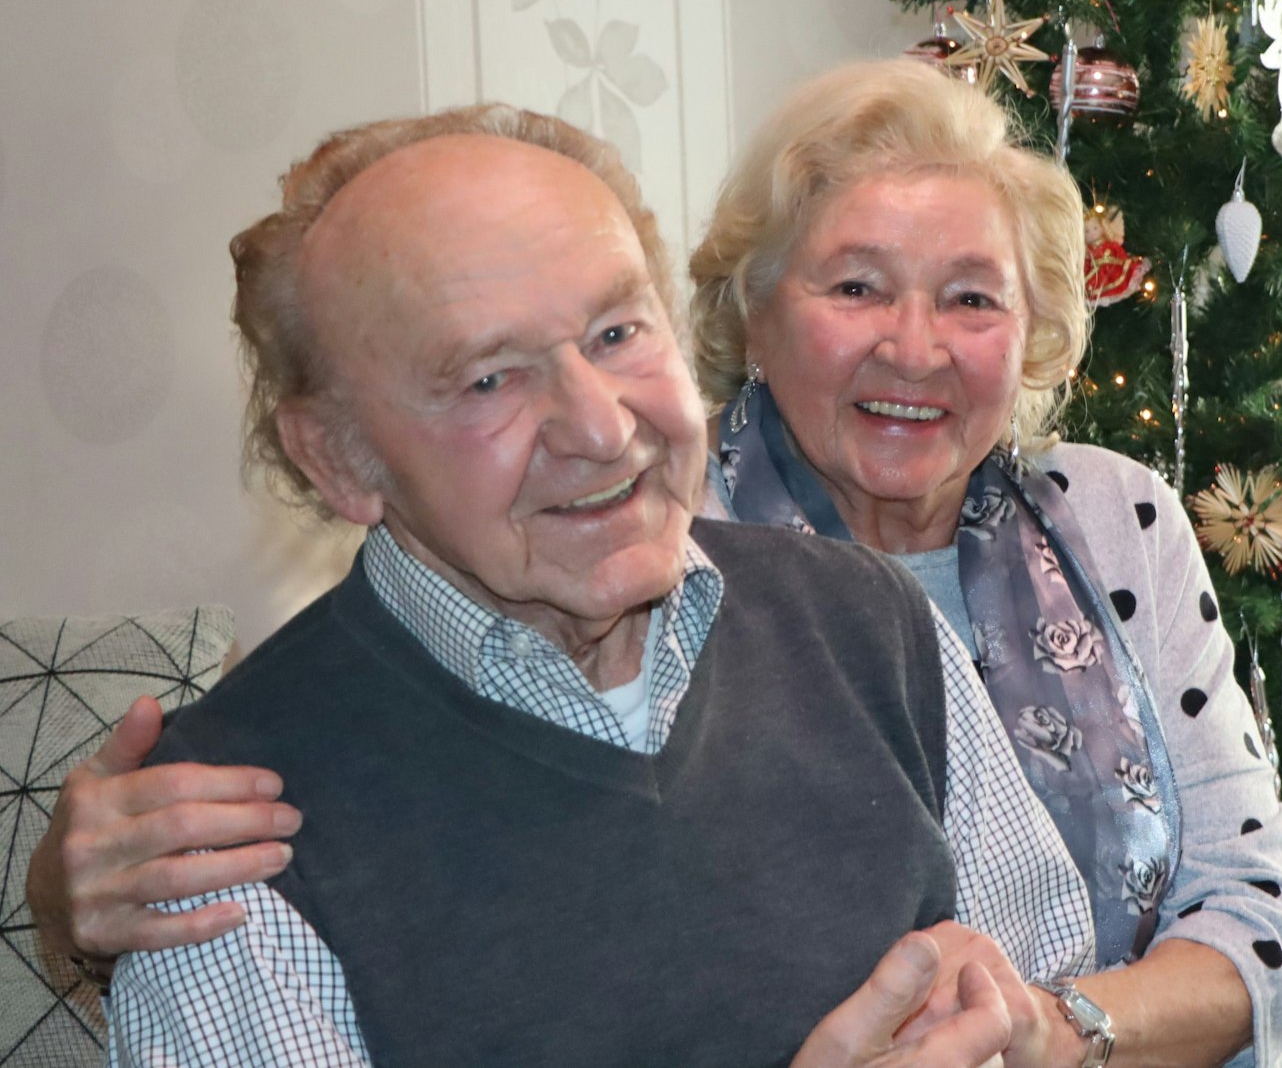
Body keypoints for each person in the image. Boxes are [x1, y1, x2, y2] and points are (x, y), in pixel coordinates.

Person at [85, 103, 1097, 1066]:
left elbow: (1042, 995)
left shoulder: (868, 628)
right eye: (489, 378)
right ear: (340, 459)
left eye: (617, 334)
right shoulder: (222, 838)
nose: (603, 428)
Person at [686, 58, 1282, 1065]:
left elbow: (1263, 920)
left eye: (970, 300)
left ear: (1034, 341)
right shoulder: (662, 555)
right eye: (856, 286)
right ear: (753, 311)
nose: (913, 348)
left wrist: (1066, 1030)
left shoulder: (1118, 520)